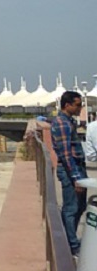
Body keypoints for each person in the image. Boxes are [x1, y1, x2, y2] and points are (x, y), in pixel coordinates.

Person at [50, 90, 87, 255]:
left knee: (80, 206)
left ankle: (70, 239)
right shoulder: (63, 124)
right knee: (71, 208)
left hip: (77, 168)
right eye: (78, 105)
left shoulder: (67, 121)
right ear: (67, 105)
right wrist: (76, 178)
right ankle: (71, 245)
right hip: (71, 170)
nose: (81, 108)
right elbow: (65, 154)